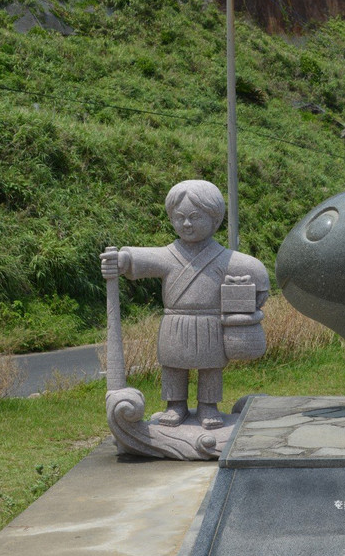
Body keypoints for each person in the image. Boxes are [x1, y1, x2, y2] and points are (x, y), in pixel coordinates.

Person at [100, 180, 269, 429]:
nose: (187, 224)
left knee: (210, 367)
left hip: (210, 323)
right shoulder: (169, 254)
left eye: (194, 217)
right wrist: (122, 260)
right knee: (173, 366)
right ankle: (175, 405)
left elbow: (252, 268)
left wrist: (259, 287)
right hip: (175, 321)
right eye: (180, 217)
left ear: (214, 219)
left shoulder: (223, 257)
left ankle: (208, 407)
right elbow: (142, 258)